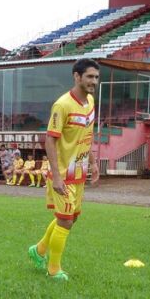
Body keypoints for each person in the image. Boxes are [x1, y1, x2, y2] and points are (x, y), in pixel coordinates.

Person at [27, 58, 100, 281]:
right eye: (89, 76)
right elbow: (50, 140)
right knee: (66, 220)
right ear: (76, 77)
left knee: (70, 218)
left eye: (96, 77)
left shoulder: (90, 102)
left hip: (79, 170)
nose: (93, 81)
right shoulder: (62, 105)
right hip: (62, 173)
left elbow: (87, 135)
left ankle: (38, 250)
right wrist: (56, 176)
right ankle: (53, 268)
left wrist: (94, 162)